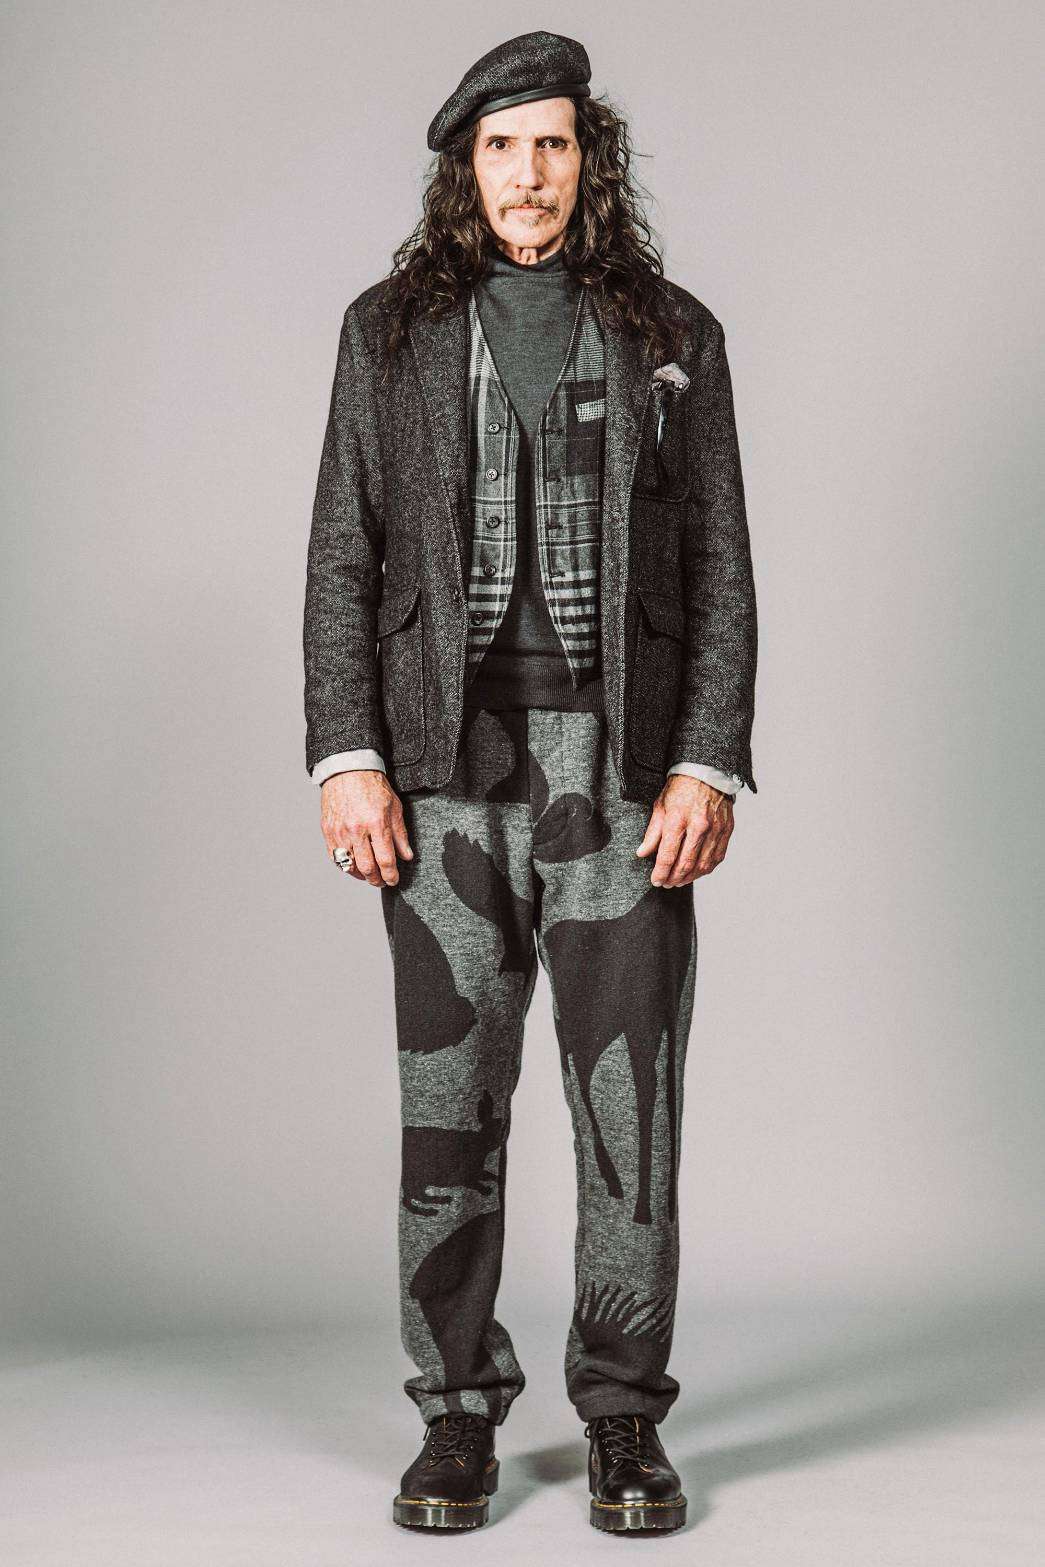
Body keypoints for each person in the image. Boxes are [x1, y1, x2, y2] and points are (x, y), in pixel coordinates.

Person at [302, 29, 758, 1535]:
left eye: (553, 143)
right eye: (502, 147)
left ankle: (623, 1419)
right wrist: (348, 758)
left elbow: (720, 561)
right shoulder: (387, 334)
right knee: (449, 1106)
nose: (528, 173)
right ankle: (454, 1417)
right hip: (441, 774)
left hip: (621, 776)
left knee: (631, 1114)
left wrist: (704, 762)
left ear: (588, 161)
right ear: (466, 169)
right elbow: (343, 553)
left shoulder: (671, 331)